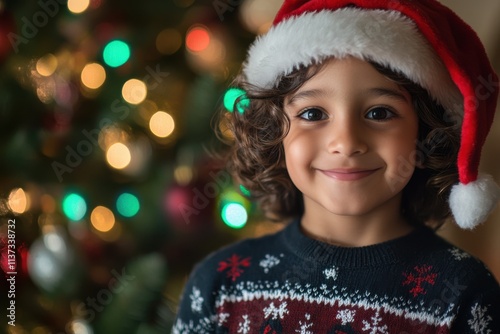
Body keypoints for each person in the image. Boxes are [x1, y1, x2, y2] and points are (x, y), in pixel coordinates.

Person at [172, 0, 500, 332]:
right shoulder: (221, 283)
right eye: (313, 114)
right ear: (273, 132)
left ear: (426, 130)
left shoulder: (462, 292)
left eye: (379, 113)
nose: (345, 142)